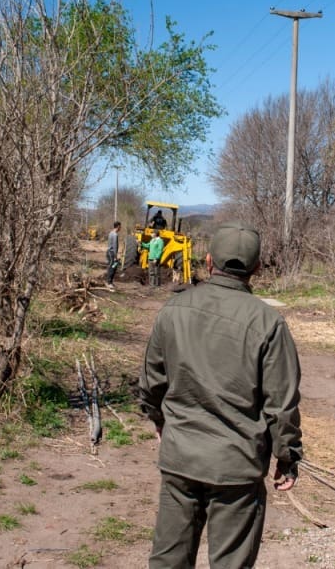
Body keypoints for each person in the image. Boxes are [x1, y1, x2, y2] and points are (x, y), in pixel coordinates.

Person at [138, 222, 302, 568]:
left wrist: (158, 419)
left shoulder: (174, 310)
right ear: (257, 269)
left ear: (208, 261)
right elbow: (281, 403)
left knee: (168, 560)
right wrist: (286, 456)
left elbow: (153, 379)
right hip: (237, 467)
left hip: (181, 457)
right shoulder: (268, 322)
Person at [105, 221, 122, 291]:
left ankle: (110, 282)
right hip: (112, 253)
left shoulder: (110, 233)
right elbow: (115, 246)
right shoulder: (115, 235)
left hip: (109, 252)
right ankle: (109, 282)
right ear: (118, 226)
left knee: (113, 266)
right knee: (112, 267)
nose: (121, 228)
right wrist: (115, 256)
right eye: (120, 226)